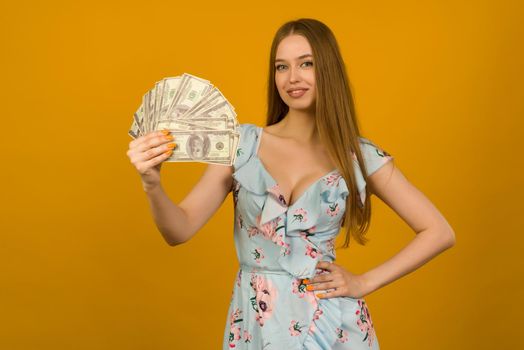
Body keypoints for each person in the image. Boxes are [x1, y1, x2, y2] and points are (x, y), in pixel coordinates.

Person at [126, 18, 455, 350]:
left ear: (328, 69)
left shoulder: (358, 156)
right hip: (257, 325)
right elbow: (178, 230)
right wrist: (151, 183)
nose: (292, 78)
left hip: (333, 324)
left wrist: (364, 282)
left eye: (306, 64)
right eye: (281, 67)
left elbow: (439, 232)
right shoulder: (242, 145)